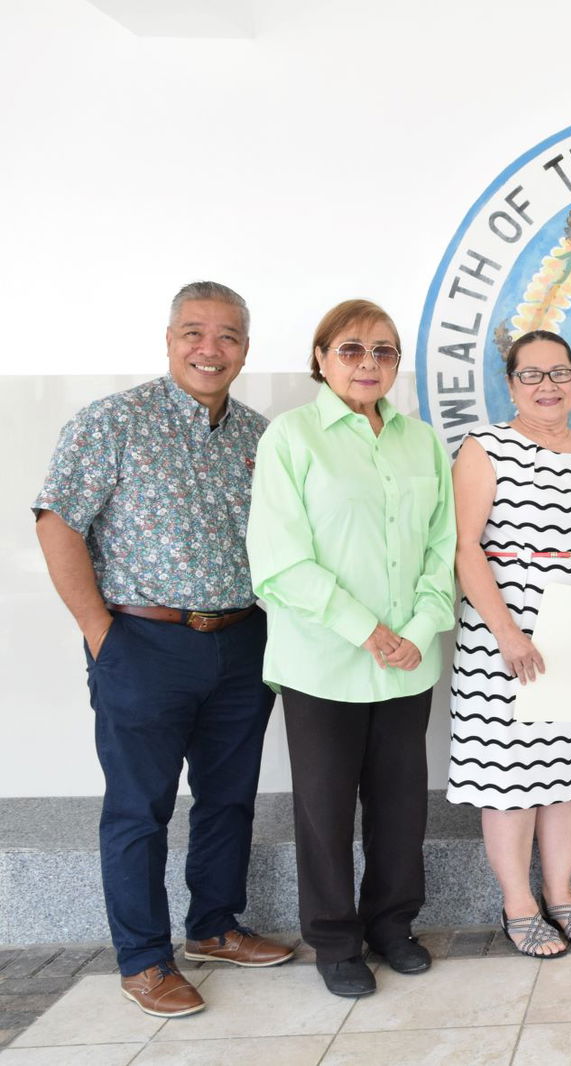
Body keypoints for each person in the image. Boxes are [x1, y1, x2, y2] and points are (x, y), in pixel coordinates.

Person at [32, 281, 292, 1018]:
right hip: (140, 641)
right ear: (170, 339)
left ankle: (214, 926)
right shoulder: (113, 421)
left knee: (229, 799)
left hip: (242, 641)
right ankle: (144, 960)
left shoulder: (259, 436)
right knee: (139, 809)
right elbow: (57, 523)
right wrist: (101, 633)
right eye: (194, 333)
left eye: (229, 336)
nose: (211, 350)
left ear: (245, 347)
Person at [247, 299, 456, 997]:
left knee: (402, 805)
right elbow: (277, 559)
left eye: (384, 351)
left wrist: (419, 632)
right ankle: (335, 942)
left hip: (407, 663)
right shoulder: (292, 437)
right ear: (321, 357)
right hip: (323, 662)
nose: (369, 363)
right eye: (353, 350)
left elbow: (441, 548)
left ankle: (392, 926)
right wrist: (366, 630)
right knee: (325, 808)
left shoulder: (420, 441)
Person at [447, 330, 571, 957]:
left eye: (560, 372)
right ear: (510, 384)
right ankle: (519, 905)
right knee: (509, 775)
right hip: (504, 639)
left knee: (568, 774)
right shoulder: (484, 448)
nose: (548, 386)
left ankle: (559, 894)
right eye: (532, 375)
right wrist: (506, 634)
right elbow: (465, 546)